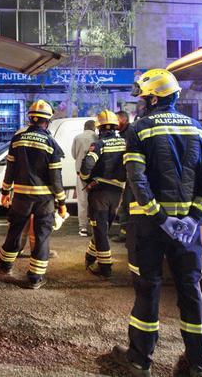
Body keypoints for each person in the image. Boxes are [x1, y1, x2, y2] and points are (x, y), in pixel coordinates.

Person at [112, 69, 202, 377]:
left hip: (149, 228)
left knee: (147, 289)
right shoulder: (200, 131)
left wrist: (160, 218)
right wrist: (192, 218)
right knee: (190, 289)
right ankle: (197, 363)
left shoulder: (139, 130)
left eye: (143, 99)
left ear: (152, 98)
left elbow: (136, 179)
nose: (140, 105)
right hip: (187, 232)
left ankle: (139, 360)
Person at [0, 100, 67, 290]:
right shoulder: (51, 143)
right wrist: (62, 202)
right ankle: (35, 277)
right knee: (41, 235)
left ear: (30, 118)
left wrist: (6, 191)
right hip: (44, 200)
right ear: (47, 121)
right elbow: (56, 177)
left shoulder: (18, 138)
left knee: (15, 229)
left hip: (22, 196)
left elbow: (10, 168)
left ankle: (5, 264)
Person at [78, 110, 126, 278]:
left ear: (99, 129)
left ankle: (105, 267)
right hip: (118, 193)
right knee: (102, 229)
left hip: (99, 193)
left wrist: (86, 180)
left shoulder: (99, 145)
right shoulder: (125, 143)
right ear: (115, 127)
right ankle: (91, 255)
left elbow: (86, 167)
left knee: (99, 229)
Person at [71, 119, 97, 236]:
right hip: (95, 174)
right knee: (96, 200)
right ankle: (96, 225)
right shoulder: (97, 138)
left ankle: (83, 228)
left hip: (81, 174)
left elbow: (73, 154)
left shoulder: (78, 138)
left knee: (82, 201)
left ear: (84, 127)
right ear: (94, 128)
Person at [114, 110, 132, 242]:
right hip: (127, 176)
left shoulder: (130, 133)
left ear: (124, 119)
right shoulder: (123, 133)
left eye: (117, 120)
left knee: (126, 206)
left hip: (131, 176)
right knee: (124, 206)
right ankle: (125, 233)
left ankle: (125, 234)